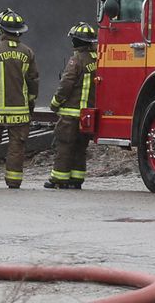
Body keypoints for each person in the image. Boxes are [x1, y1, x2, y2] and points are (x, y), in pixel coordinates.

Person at [0, 8, 38, 188]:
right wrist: (31, 103)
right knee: (16, 147)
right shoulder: (28, 52)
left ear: (2, 30)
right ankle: (14, 181)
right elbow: (33, 80)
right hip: (20, 111)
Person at [46, 22, 98, 190]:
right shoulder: (98, 58)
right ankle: (76, 179)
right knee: (80, 148)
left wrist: (55, 104)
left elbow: (66, 85)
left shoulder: (76, 60)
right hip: (88, 115)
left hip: (71, 114)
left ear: (77, 41)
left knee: (64, 145)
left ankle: (58, 179)